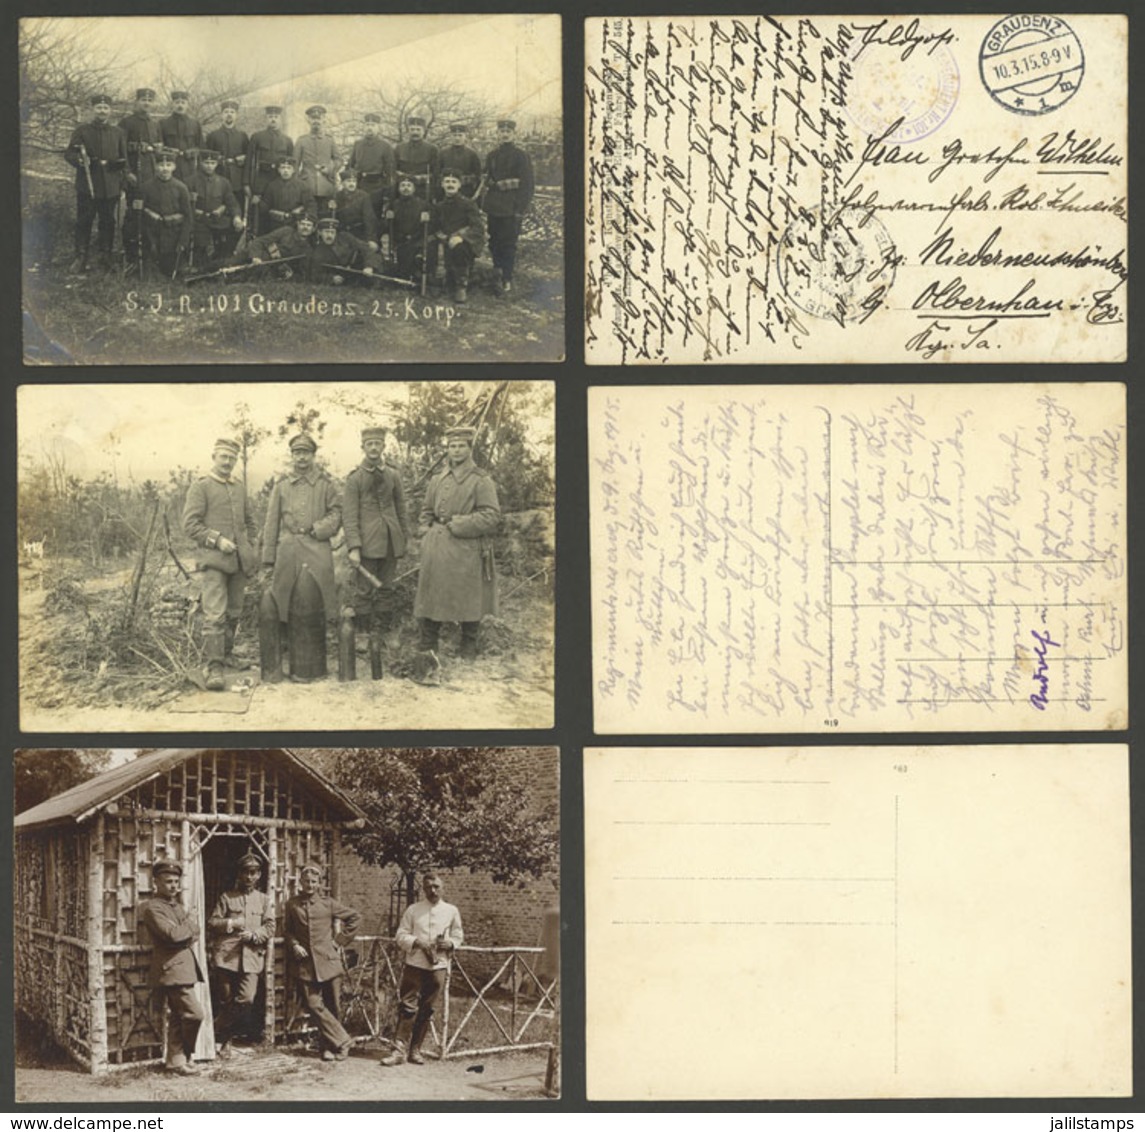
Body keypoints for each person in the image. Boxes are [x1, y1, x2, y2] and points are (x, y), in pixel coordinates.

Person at [413, 426, 501, 661]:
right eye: (452, 446)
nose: (457, 450)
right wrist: (425, 532)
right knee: (432, 595)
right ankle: (428, 645)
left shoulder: (481, 480)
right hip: (436, 547)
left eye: (462, 445)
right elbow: (426, 511)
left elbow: (491, 515)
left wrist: (460, 524)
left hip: (465, 549)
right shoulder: (437, 479)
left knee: (468, 598)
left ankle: (468, 646)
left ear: (470, 449)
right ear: (447, 449)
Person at [182, 437, 259, 690]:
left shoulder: (238, 487)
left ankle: (226, 656)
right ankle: (214, 667)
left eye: (232, 458)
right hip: (214, 561)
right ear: (214, 457)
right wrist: (217, 540)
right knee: (215, 614)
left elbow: (249, 521)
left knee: (234, 611)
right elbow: (190, 525)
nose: (228, 462)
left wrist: (251, 545)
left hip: (239, 563)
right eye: (223, 457)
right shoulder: (201, 487)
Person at [261, 433, 342, 669]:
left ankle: (319, 642)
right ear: (292, 456)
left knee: (320, 595)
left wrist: (320, 529)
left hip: (317, 547)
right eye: (297, 453)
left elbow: (336, 514)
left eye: (305, 453)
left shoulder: (326, 485)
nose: (301, 458)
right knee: (283, 595)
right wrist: (268, 558)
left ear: (313, 455)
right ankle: (286, 644)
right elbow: (271, 522)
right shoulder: (282, 485)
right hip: (288, 548)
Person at [381, 872, 463, 1067]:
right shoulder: (414, 910)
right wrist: (417, 942)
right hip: (415, 964)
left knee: (427, 1008)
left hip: (438, 966)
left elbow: (458, 935)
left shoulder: (451, 911)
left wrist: (449, 944)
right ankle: (398, 1050)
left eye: (436, 887)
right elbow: (400, 935)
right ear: (423, 889)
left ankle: (415, 1050)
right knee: (407, 1005)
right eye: (428, 888)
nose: (432, 891)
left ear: (443, 888)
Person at [344, 426, 409, 659]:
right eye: (369, 443)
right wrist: (354, 546)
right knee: (363, 590)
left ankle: (383, 632)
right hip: (367, 543)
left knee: (387, 588)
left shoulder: (393, 475)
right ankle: (362, 634)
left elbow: (401, 509)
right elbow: (349, 516)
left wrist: (403, 539)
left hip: (391, 542)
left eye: (377, 444)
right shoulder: (355, 479)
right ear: (363, 447)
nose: (373, 447)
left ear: (383, 447)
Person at [284, 863, 360, 1062]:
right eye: (306, 881)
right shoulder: (292, 904)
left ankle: (330, 1049)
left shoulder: (328, 903)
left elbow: (354, 918)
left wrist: (339, 941)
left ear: (319, 884)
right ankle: (344, 1041)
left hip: (329, 963)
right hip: (306, 965)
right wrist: (294, 945)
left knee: (334, 1006)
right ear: (300, 882)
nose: (310, 885)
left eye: (314, 882)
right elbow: (288, 930)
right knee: (313, 1004)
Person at [139, 861, 205, 1076]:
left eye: (177, 881)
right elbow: (173, 935)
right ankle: (184, 1054)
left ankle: (176, 1061)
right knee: (194, 1014)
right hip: (171, 969)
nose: (174, 886)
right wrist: (189, 926)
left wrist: (186, 929)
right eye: (168, 881)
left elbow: (195, 932)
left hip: (184, 968)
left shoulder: (177, 907)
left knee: (180, 1016)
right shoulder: (153, 908)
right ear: (156, 882)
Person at [208, 852, 274, 1054]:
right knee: (225, 1000)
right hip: (226, 958)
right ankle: (225, 1042)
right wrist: (231, 923)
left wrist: (255, 935)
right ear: (240, 874)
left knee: (246, 998)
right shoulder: (227, 897)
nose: (249, 877)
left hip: (252, 959)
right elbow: (212, 922)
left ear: (259, 875)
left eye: (254, 873)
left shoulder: (263, 900)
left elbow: (270, 926)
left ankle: (214, 1029)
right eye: (246, 872)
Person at [64, 93, 128, 273]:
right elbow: (69, 153)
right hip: (88, 184)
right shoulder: (82, 131)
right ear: (93, 109)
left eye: (106, 108)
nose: (102, 111)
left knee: (108, 222)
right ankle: (80, 257)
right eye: (99, 107)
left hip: (110, 186)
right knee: (84, 220)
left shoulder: (118, 133)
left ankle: (105, 256)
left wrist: (122, 183)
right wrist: (79, 160)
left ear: (110, 110)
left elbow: (124, 161)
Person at [482, 118, 534, 295]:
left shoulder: (521, 155)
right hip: (494, 205)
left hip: (511, 206)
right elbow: (486, 178)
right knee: (494, 240)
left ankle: (507, 277)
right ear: (498, 134)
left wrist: (520, 208)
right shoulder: (492, 155)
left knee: (508, 243)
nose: (504, 134)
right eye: (501, 131)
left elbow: (527, 184)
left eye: (508, 132)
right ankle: (497, 272)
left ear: (514, 134)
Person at [119, 87, 164, 268]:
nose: (146, 103)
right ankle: (130, 253)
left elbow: (159, 149)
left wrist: (157, 148)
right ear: (137, 102)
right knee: (134, 214)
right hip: (135, 176)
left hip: (151, 176)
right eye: (143, 100)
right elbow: (120, 149)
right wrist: (127, 172)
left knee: (150, 213)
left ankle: (147, 252)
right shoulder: (127, 122)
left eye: (150, 100)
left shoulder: (155, 124)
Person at [431, 169, 486, 304]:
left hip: (466, 243)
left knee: (459, 248)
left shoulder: (468, 204)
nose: (450, 184)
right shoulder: (439, 206)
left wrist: (460, 236)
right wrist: (442, 236)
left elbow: (477, 227)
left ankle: (461, 286)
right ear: (442, 185)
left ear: (459, 185)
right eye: (447, 182)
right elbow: (435, 226)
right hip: (446, 241)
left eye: (454, 182)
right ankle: (437, 279)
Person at [137, 148, 192, 279]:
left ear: (174, 167)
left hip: (173, 234)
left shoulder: (181, 188)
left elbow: (188, 217)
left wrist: (183, 242)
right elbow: (138, 214)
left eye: (168, 165)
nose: (165, 169)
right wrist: (148, 213)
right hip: (153, 234)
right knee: (153, 269)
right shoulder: (146, 187)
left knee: (175, 270)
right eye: (161, 165)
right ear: (155, 166)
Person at [187, 149, 243, 264]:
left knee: (233, 231)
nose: (209, 166)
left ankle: (223, 260)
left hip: (218, 219)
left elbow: (232, 203)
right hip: (199, 221)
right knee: (202, 251)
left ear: (217, 164)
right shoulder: (190, 181)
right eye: (206, 163)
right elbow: (186, 205)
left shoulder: (223, 182)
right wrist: (197, 212)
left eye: (212, 163)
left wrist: (237, 217)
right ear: (200, 162)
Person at [247, 106, 294, 233]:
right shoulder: (257, 137)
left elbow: (291, 165)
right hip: (261, 183)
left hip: (279, 182)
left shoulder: (287, 141)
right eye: (270, 117)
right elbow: (249, 162)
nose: (273, 119)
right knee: (260, 215)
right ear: (266, 119)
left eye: (276, 117)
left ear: (281, 119)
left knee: (277, 214)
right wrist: (247, 184)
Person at [306, 217, 380, 285]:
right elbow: (315, 274)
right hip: (345, 279)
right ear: (320, 232)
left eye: (332, 232)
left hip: (362, 270)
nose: (329, 236)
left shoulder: (346, 237)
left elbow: (366, 249)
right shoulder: (318, 252)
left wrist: (369, 266)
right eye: (326, 232)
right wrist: (331, 279)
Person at [385, 173, 430, 282]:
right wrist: (388, 218)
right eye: (403, 185)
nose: (406, 188)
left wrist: (427, 218)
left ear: (414, 189)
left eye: (409, 185)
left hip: (417, 239)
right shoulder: (394, 204)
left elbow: (430, 226)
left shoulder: (423, 204)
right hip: (400, 240)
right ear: (399, 189)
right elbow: (387, 227)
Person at [295, 105, 339, 217]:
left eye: (319, 118)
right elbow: (295, 164)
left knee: (325, 217)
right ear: (309, 120)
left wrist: (329, 168)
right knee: (308, 218)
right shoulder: (302, 141)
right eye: (313, 118)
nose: (316, 121)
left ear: (324, 119)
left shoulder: (330, 140)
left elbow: (339, 160)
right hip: (306, 186)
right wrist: (296, 186)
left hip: (326, 186)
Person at [243, 212, 317, 279]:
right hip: (259, 258)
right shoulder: (286, 231)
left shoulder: (309, 248)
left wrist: (291, 275)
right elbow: (260, 241)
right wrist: (255, 257)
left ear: (313, 229)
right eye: (302, 224)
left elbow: (302, 272)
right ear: (297, 224)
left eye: (309, 225)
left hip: (274, 271)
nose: (305, 227)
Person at [349, 112, 394, 214]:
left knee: (373, 214)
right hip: (359, 185)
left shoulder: (385, 146)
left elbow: (390, 171)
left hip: (376, 186)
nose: (369, 128)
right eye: (367, 125)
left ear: (378, 128)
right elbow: (351, 165)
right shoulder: (358, 144)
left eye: (373, 125)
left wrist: (387, 191)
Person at [259, 155, 316, 235]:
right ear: (278, 170)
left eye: (288, 168)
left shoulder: (302, 185)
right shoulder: (272, 186)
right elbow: (265, 206)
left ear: (293, 170)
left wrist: (301, 211)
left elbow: (310, 204)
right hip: (276, 224)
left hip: (295, 224)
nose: (285, 171)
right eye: (283, 167)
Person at [205, 99, 249, 199]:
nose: (229, 114)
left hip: (237, 179)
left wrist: (243, 158)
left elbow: (248, 156)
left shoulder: (242, 136)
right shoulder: (213, 135)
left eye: (232, 112)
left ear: (236, 115)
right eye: (226, 112)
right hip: (219, 176)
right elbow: (207, 157)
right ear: (221, 115)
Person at [159, 90, 204, 183]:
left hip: (189, 167)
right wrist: (169, 151)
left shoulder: (195, 124)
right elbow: (160, 147)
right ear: (172, 104)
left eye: (183, 103)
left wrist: (193, 152)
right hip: (169, 167)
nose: (180, 105)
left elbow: (201, 147)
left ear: (187, 104)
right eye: (177, 102)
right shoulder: (163, 123)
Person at [394, 115, 439, 201]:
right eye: (412, 129)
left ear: (424, 131)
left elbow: (436, 172)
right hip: (403, 188)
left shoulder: (432, 149)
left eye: (418, 129)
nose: (415, 132)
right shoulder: (399, 148)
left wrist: (422, 178)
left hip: (422, 189)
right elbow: (394, 170)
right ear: (408, 131)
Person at [436, 123, 482, 200]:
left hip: (466, 191)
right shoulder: (443, 153)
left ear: (465, 136)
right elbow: (437, 173)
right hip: (446, 192)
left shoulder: (472, 154)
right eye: (454, 135)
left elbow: (478, 175)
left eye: (460, 135)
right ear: (450, 137)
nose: (457, 138)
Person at [334, 168, 378, 243]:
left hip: (359, 234)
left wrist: (371, 239)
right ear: (343, 183)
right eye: (348, 181)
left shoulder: (363, 196)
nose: (352, 184)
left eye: (354, 181)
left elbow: (369, 218)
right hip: (342, 233)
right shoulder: (337, 196)